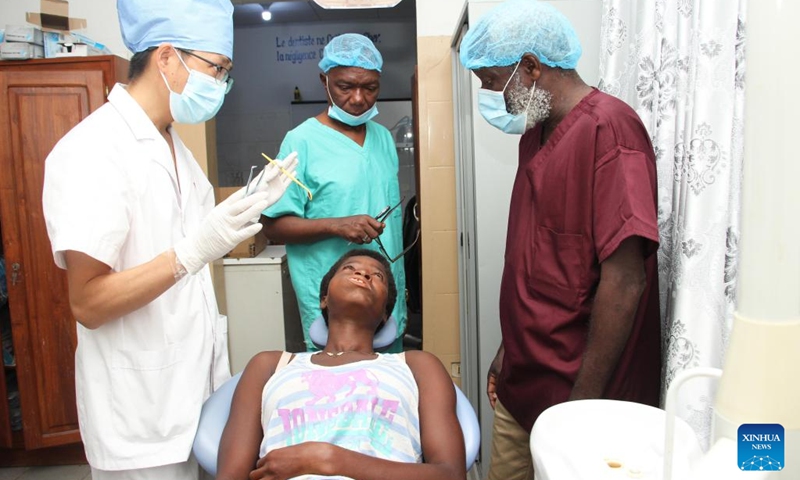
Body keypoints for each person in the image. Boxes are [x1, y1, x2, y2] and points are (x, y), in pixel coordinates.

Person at [41, 0, 298, 478]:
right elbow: (89, 303)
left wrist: (242, 211)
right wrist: (194, 250)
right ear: (165, 57)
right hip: (141, 417)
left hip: (194, 396)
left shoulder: (173, 145)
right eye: (215, 68)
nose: (220, 83)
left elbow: (187, 250)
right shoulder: (92, 151)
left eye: (225, 72)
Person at [459, 1, 662, 479]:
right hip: (521, 386)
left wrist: (579, 411)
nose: (491, 96)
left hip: (584, 401)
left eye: (491, 81)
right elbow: (536, 263)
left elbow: (626, 280)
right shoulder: (535, 132)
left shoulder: (610, 130)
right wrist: (508, 348)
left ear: (530, 66)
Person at [216, 249, 465, 480]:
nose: (363, 273)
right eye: (349, 268)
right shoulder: (270, 365)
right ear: (324, 299)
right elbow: (231, 475)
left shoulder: (417, 366)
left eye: (377, 276)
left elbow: (450, 474)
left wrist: (328, 459)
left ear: (385, 314)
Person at [261, 33, 408, 353]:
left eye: (370, 88)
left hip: (385, 301)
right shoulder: (300, 142)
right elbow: (273, 225)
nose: (358, 98)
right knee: (336, 395)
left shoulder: (383, 138)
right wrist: (336, 225)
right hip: (336, 313)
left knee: (387, 395)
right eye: (345, 87)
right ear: (323, 80)